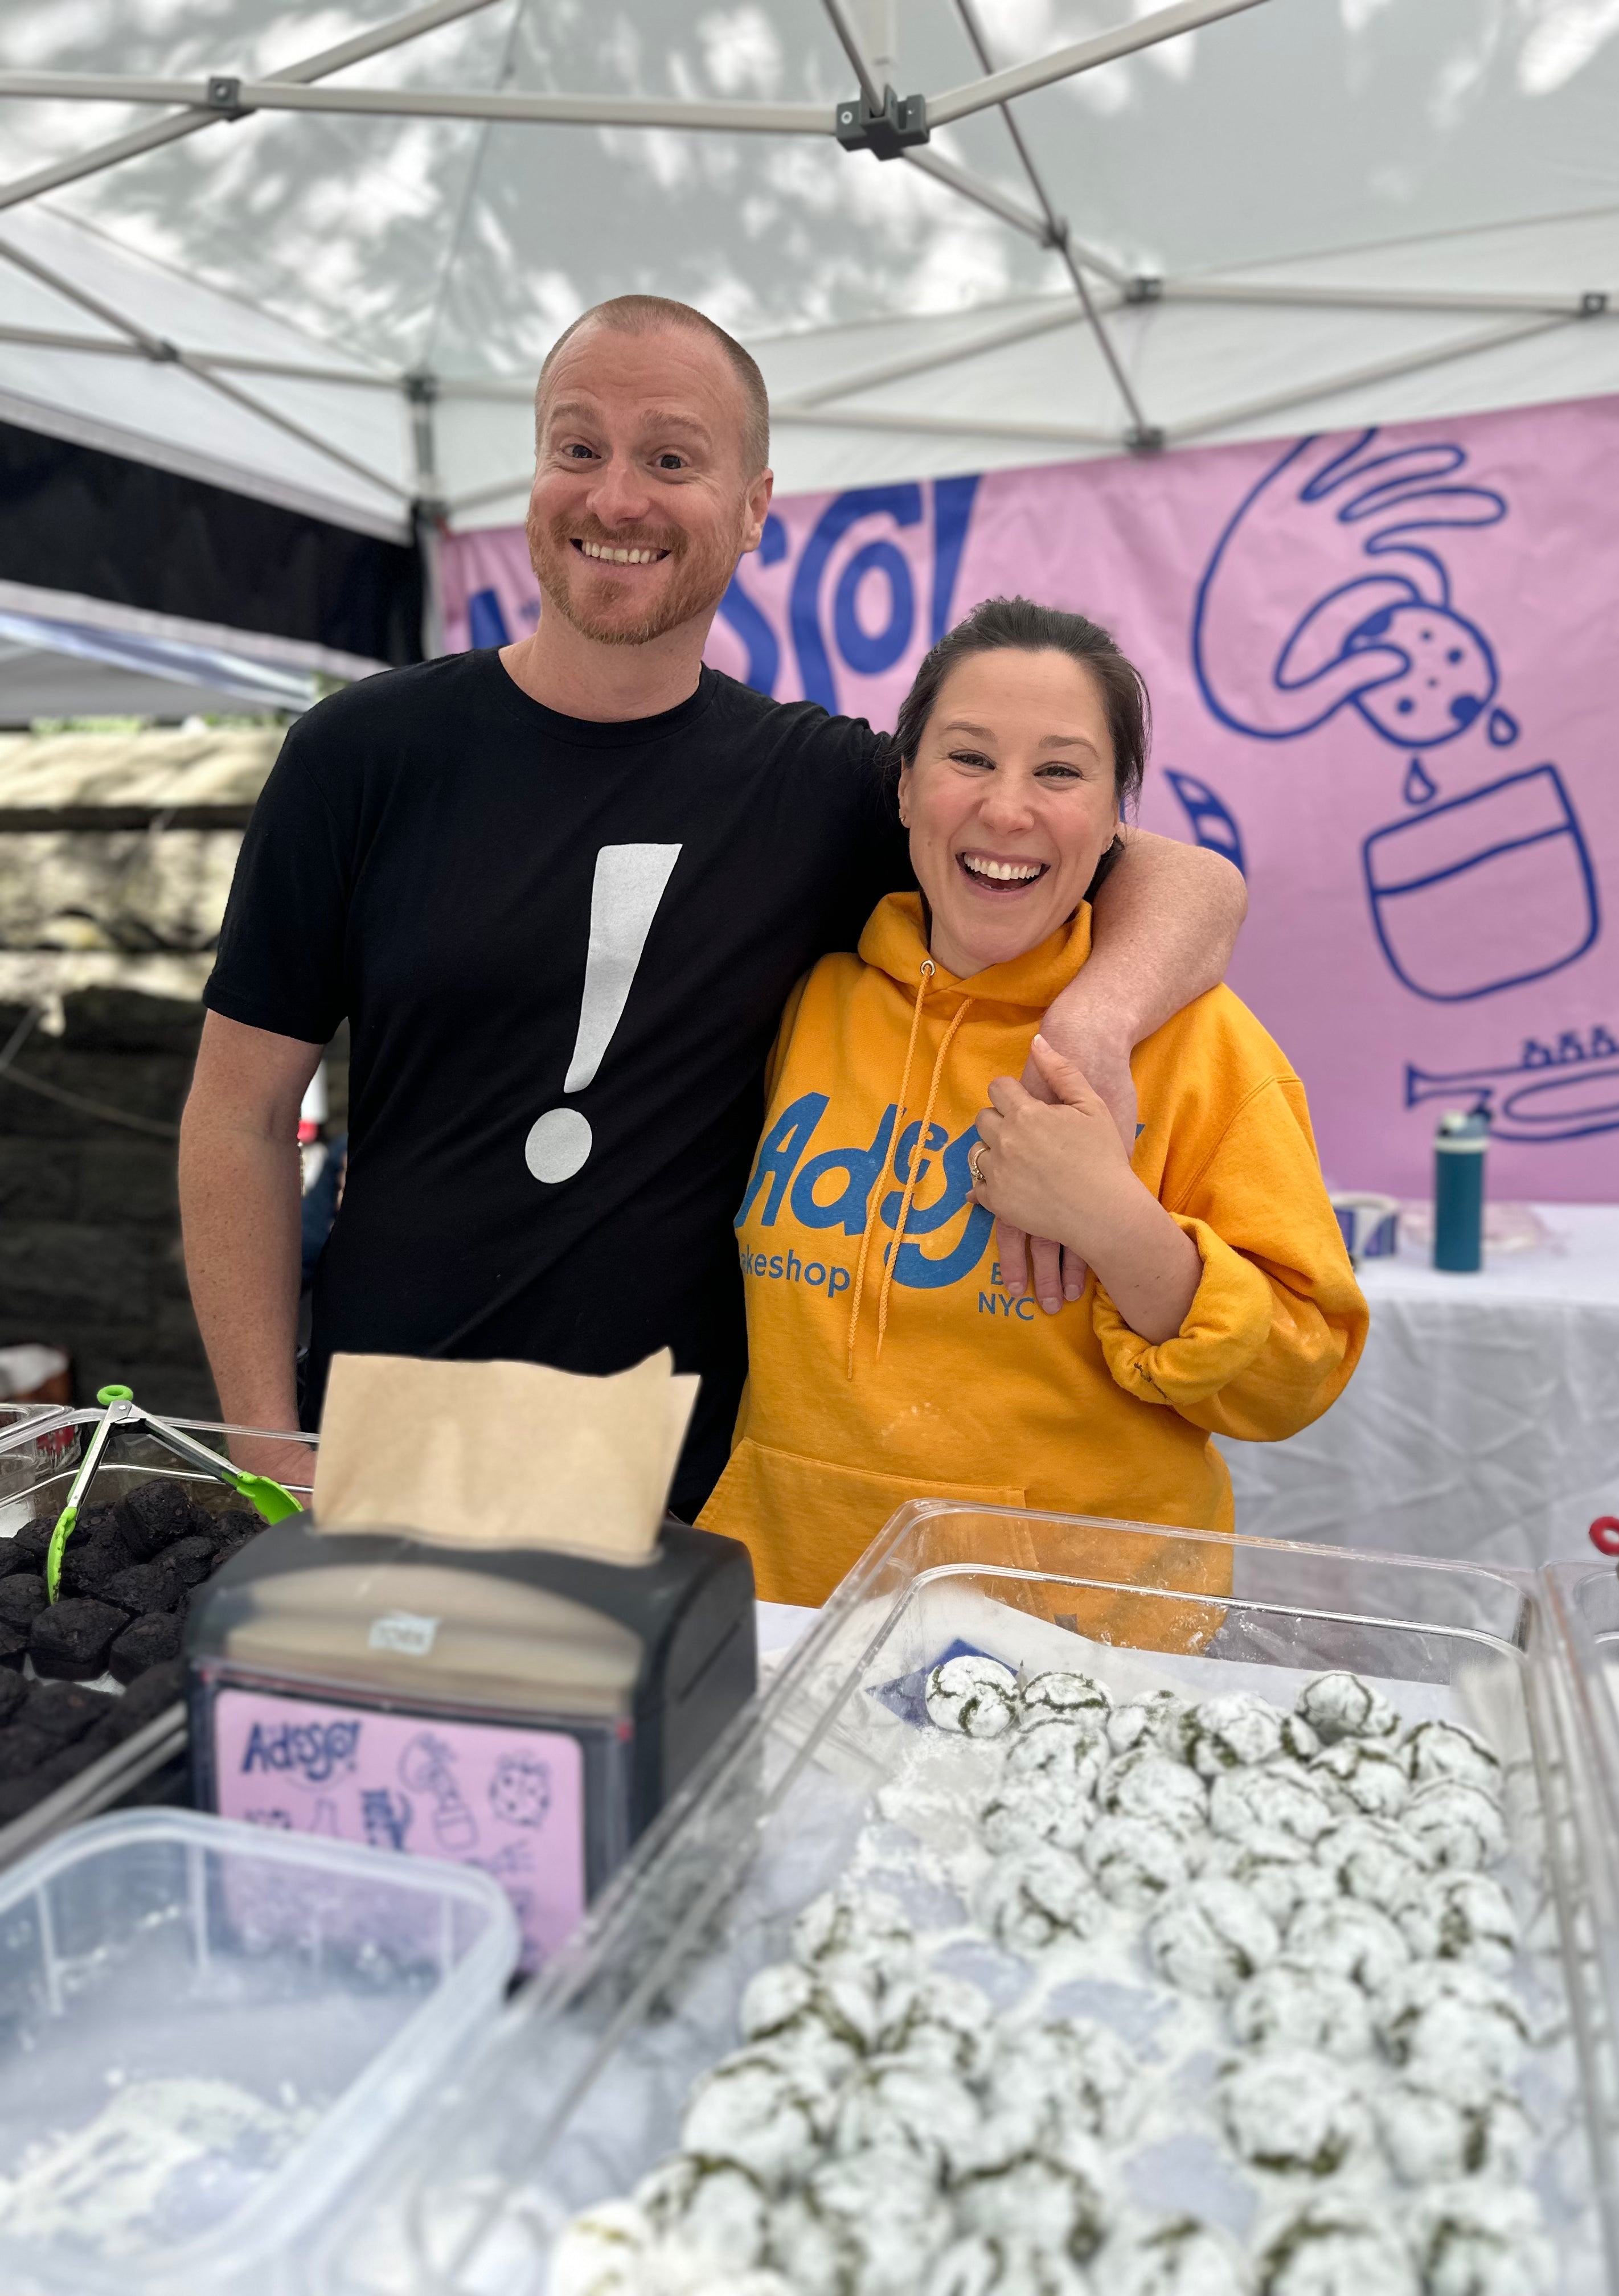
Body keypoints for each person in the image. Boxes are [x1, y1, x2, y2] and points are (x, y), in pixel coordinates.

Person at [180, 298, 1246, 1522]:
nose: (616, 499)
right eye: (577, 448)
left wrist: (1097, 1028)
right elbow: (241, 1115)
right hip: (385, 1439)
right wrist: (261, 1435)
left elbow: (1191, 884)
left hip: (684, 1486)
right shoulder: (362, 754)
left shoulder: (821, 786)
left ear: (752, 510)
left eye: (670, 458)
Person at [699, 598, 1367, 1604]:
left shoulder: (1201, 1044)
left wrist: (1118, 1228)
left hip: (1081, 1647)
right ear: (906, 790)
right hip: (793, 1614)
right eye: (969, 758)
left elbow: (1297, 1377)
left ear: (1112, 822)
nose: (1009, 811)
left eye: (1060, 771)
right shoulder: (813, 1001)